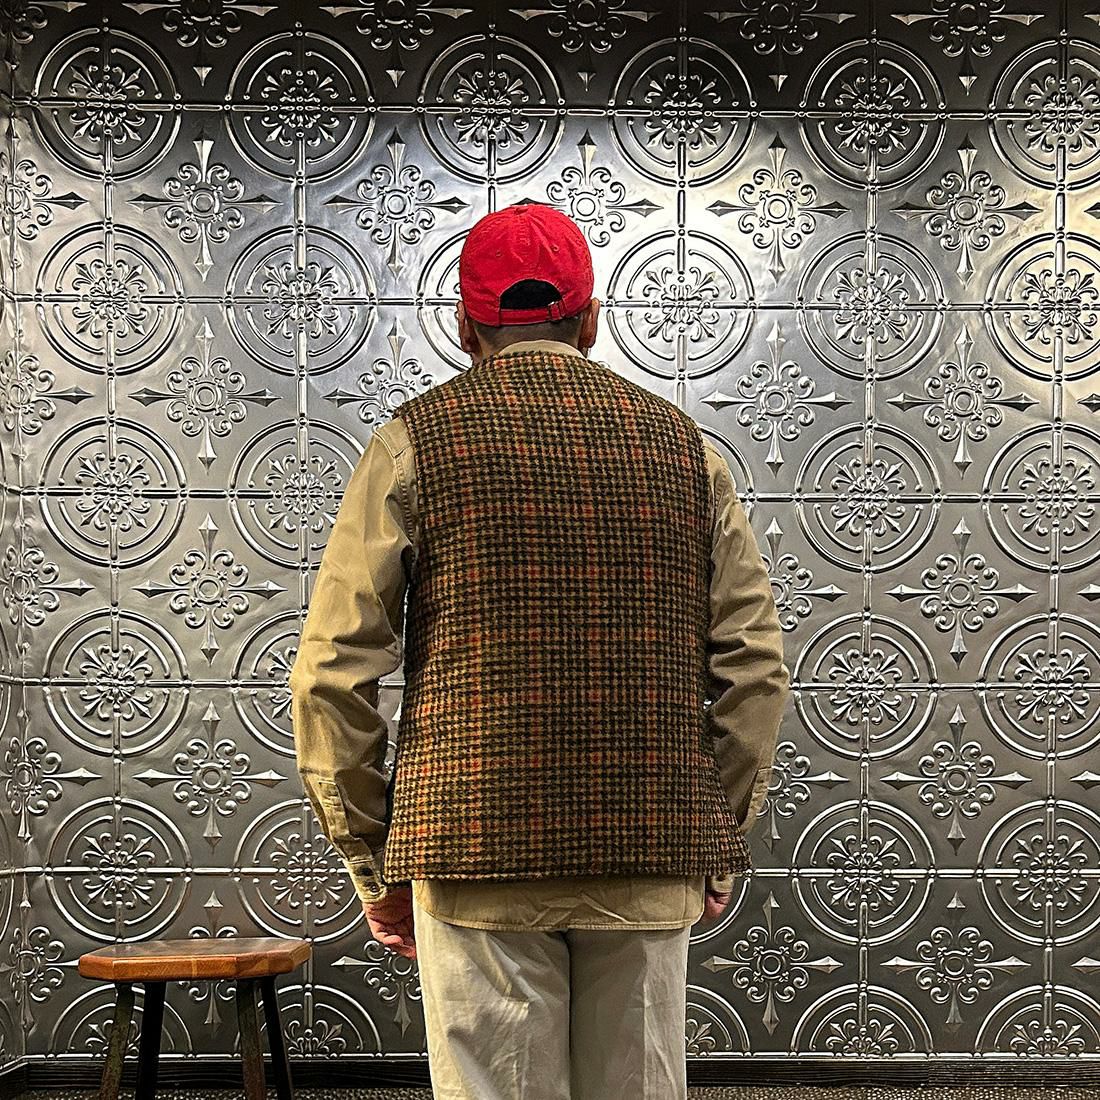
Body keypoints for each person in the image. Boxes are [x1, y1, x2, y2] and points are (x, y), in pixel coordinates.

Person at [289, 202, 790, 1099]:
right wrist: (718, 836)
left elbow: (332, 675)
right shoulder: (685, 450)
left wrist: (372, 856)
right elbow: (753, 665)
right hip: (649, 842)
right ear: (590, 319)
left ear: (462, 322)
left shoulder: (412, 443)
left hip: (470, 847)